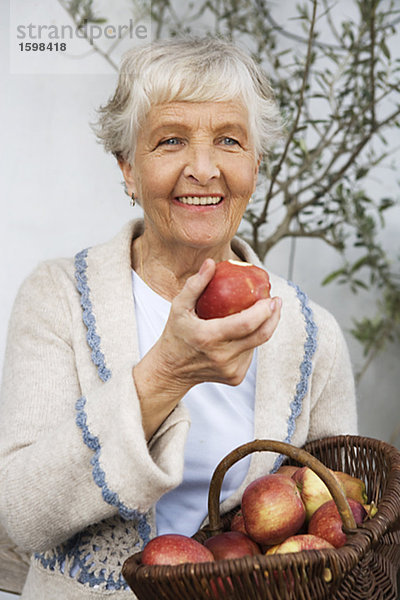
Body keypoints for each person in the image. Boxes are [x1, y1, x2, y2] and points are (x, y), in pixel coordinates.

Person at [0, 37, 357, 599]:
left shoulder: (310, 334)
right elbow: (22, 513)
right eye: (171, 140)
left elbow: (348, 517)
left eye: (229, 141)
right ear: (128, 169)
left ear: (255, 167)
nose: (204, 168)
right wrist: (166, 373)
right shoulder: (58, 299)